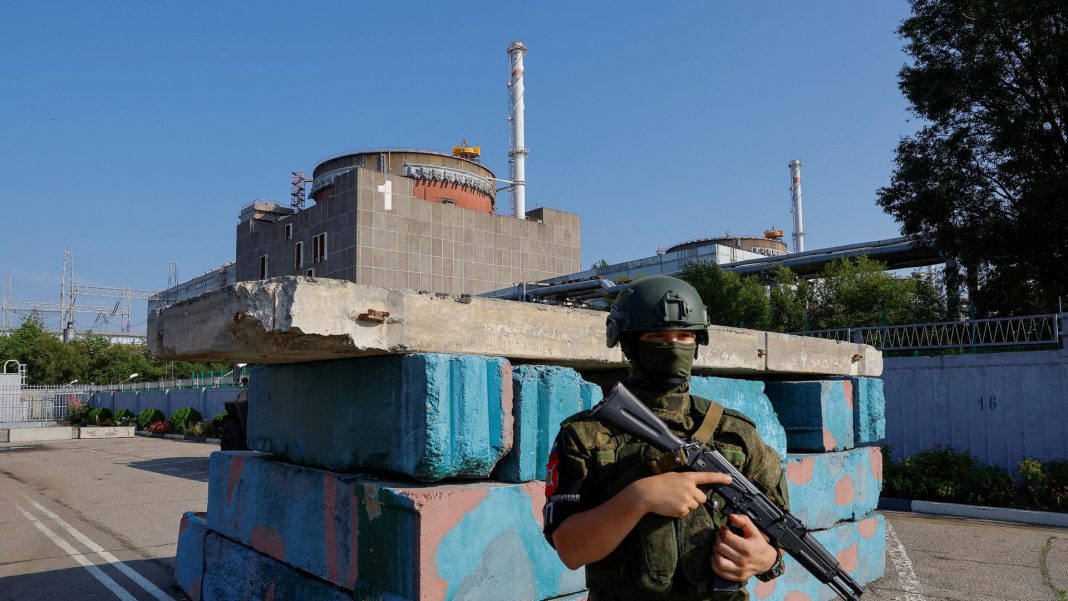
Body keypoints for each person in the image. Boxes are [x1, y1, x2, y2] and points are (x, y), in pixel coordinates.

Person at [543, 275, 789, 601]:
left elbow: (778, 528)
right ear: (628, 343)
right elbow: (571, 550)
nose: (674, 346)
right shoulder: (587, 436)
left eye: (684, 335)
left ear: (698, 342)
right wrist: (638, 498)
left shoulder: (735, 432)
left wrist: (764, 557)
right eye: (656, 336)